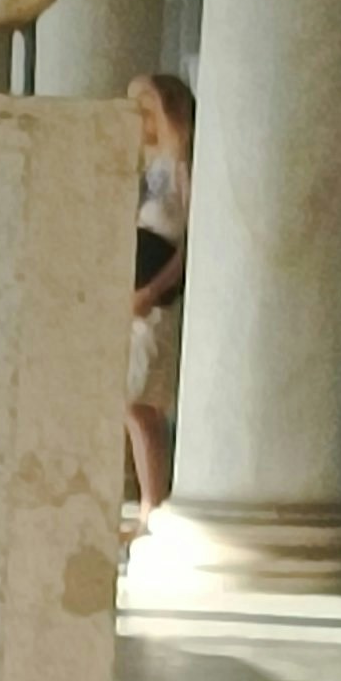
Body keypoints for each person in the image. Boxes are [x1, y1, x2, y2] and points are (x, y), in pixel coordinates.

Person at [127, 73, 195, 523]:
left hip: (154, 295)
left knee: (141, 401)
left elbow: (192, 240)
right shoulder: (147, 165)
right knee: (128, 403)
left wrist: (153, 290)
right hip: (132, 291)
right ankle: (149, 499)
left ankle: (156, 503)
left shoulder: (181, 165)